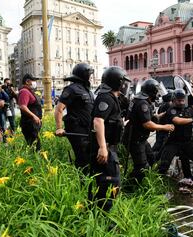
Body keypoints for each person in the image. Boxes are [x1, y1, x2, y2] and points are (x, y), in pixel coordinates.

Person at [89, 66, 131, 211]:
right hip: (105, 147)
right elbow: (98, 121)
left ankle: (100, 212)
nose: (125, 85)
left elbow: (109, 122)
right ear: (117, 82)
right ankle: (104, 217)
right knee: (110, 181)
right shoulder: (106, 97)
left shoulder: (112, 97)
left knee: (109, 180)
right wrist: (102, 147)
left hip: (109, 146)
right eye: (123, 82)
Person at [123, 79, 175, 184]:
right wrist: (165, 127)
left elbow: (144, 117)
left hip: (139, 138)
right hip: (135, 139)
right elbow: (147, 124)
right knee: (142, 167)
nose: (157, 95)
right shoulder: (143, 103)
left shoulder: (137, 99)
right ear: (152, 92)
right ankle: (129, 187)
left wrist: (160, 115)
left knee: (151, 159)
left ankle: (146, 183)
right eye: (156, 92)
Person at [55, 63, 94, 171]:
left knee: (89, 157)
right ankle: (83, 184)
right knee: (83, 159)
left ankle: (88, 183)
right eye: (89, 74)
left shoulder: (87, 90)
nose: (90, 77)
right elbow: (59, 109)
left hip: (87, 129)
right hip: (77, 129)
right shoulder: (71, 89)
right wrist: (59, 128)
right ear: (84, 75)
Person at [18, 74, 42, 150]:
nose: (35, 82)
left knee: (35, 145)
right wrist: (34, 116)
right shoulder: (24, 91)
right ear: (27, 81)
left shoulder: (29, 91)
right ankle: (36, 161)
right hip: (29, 124)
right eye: (33, 81)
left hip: (32, 124)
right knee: (35, 147)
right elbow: (23, 106)